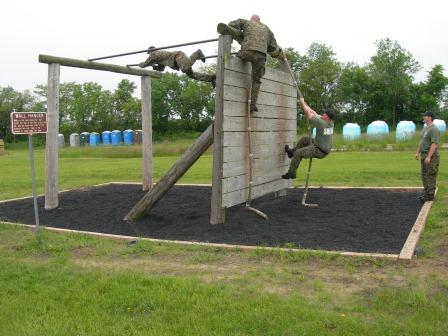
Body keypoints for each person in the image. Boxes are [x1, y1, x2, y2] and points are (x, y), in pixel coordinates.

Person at [217, 15, 282, 112]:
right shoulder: (267, 29)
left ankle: (231, 35)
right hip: (261, 56)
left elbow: (232, 24)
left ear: (252, 19)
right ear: (260, 21)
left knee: (238, 50)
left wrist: (240, 32)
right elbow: (273, 46)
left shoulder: (246, 22)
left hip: (246, 52)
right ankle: (252, 105)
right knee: (256, 80)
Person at [281, 97, 335, 179]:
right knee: (305, 139)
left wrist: (302, 104)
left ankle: (292, 173)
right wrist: (305, 104)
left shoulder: (322, 123)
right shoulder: (330, 122)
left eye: (325, 114)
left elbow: (309, 114)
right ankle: (291, 152)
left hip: (320, 151)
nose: (323, 114)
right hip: (319, 144)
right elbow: (314, 113)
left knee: (299, 153)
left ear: (327, 117)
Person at [138, 47, 216, 87]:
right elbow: (161, 69)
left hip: (178, 56)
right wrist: (154, 66)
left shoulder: (155, 53)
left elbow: (147, 62)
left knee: (185, 68)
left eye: (149, 53)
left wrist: (142, 64)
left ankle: (197, 53)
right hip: (177, 60)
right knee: (191, 75)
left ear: (151, 51)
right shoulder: (160, 58)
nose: (149, 55)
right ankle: (212, 78)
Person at [415, 111, 440, 203]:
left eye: (424, 116)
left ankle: (430, 196)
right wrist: (417, 152)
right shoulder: (425, 128)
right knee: (424, 175)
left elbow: (434, 144)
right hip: (423, 155)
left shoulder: (434, 129)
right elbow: (422, 142)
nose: (423, 117)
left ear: (429, 117)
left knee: (430, 175)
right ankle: (427, 193)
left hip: (431, 156)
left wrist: (429, 157)